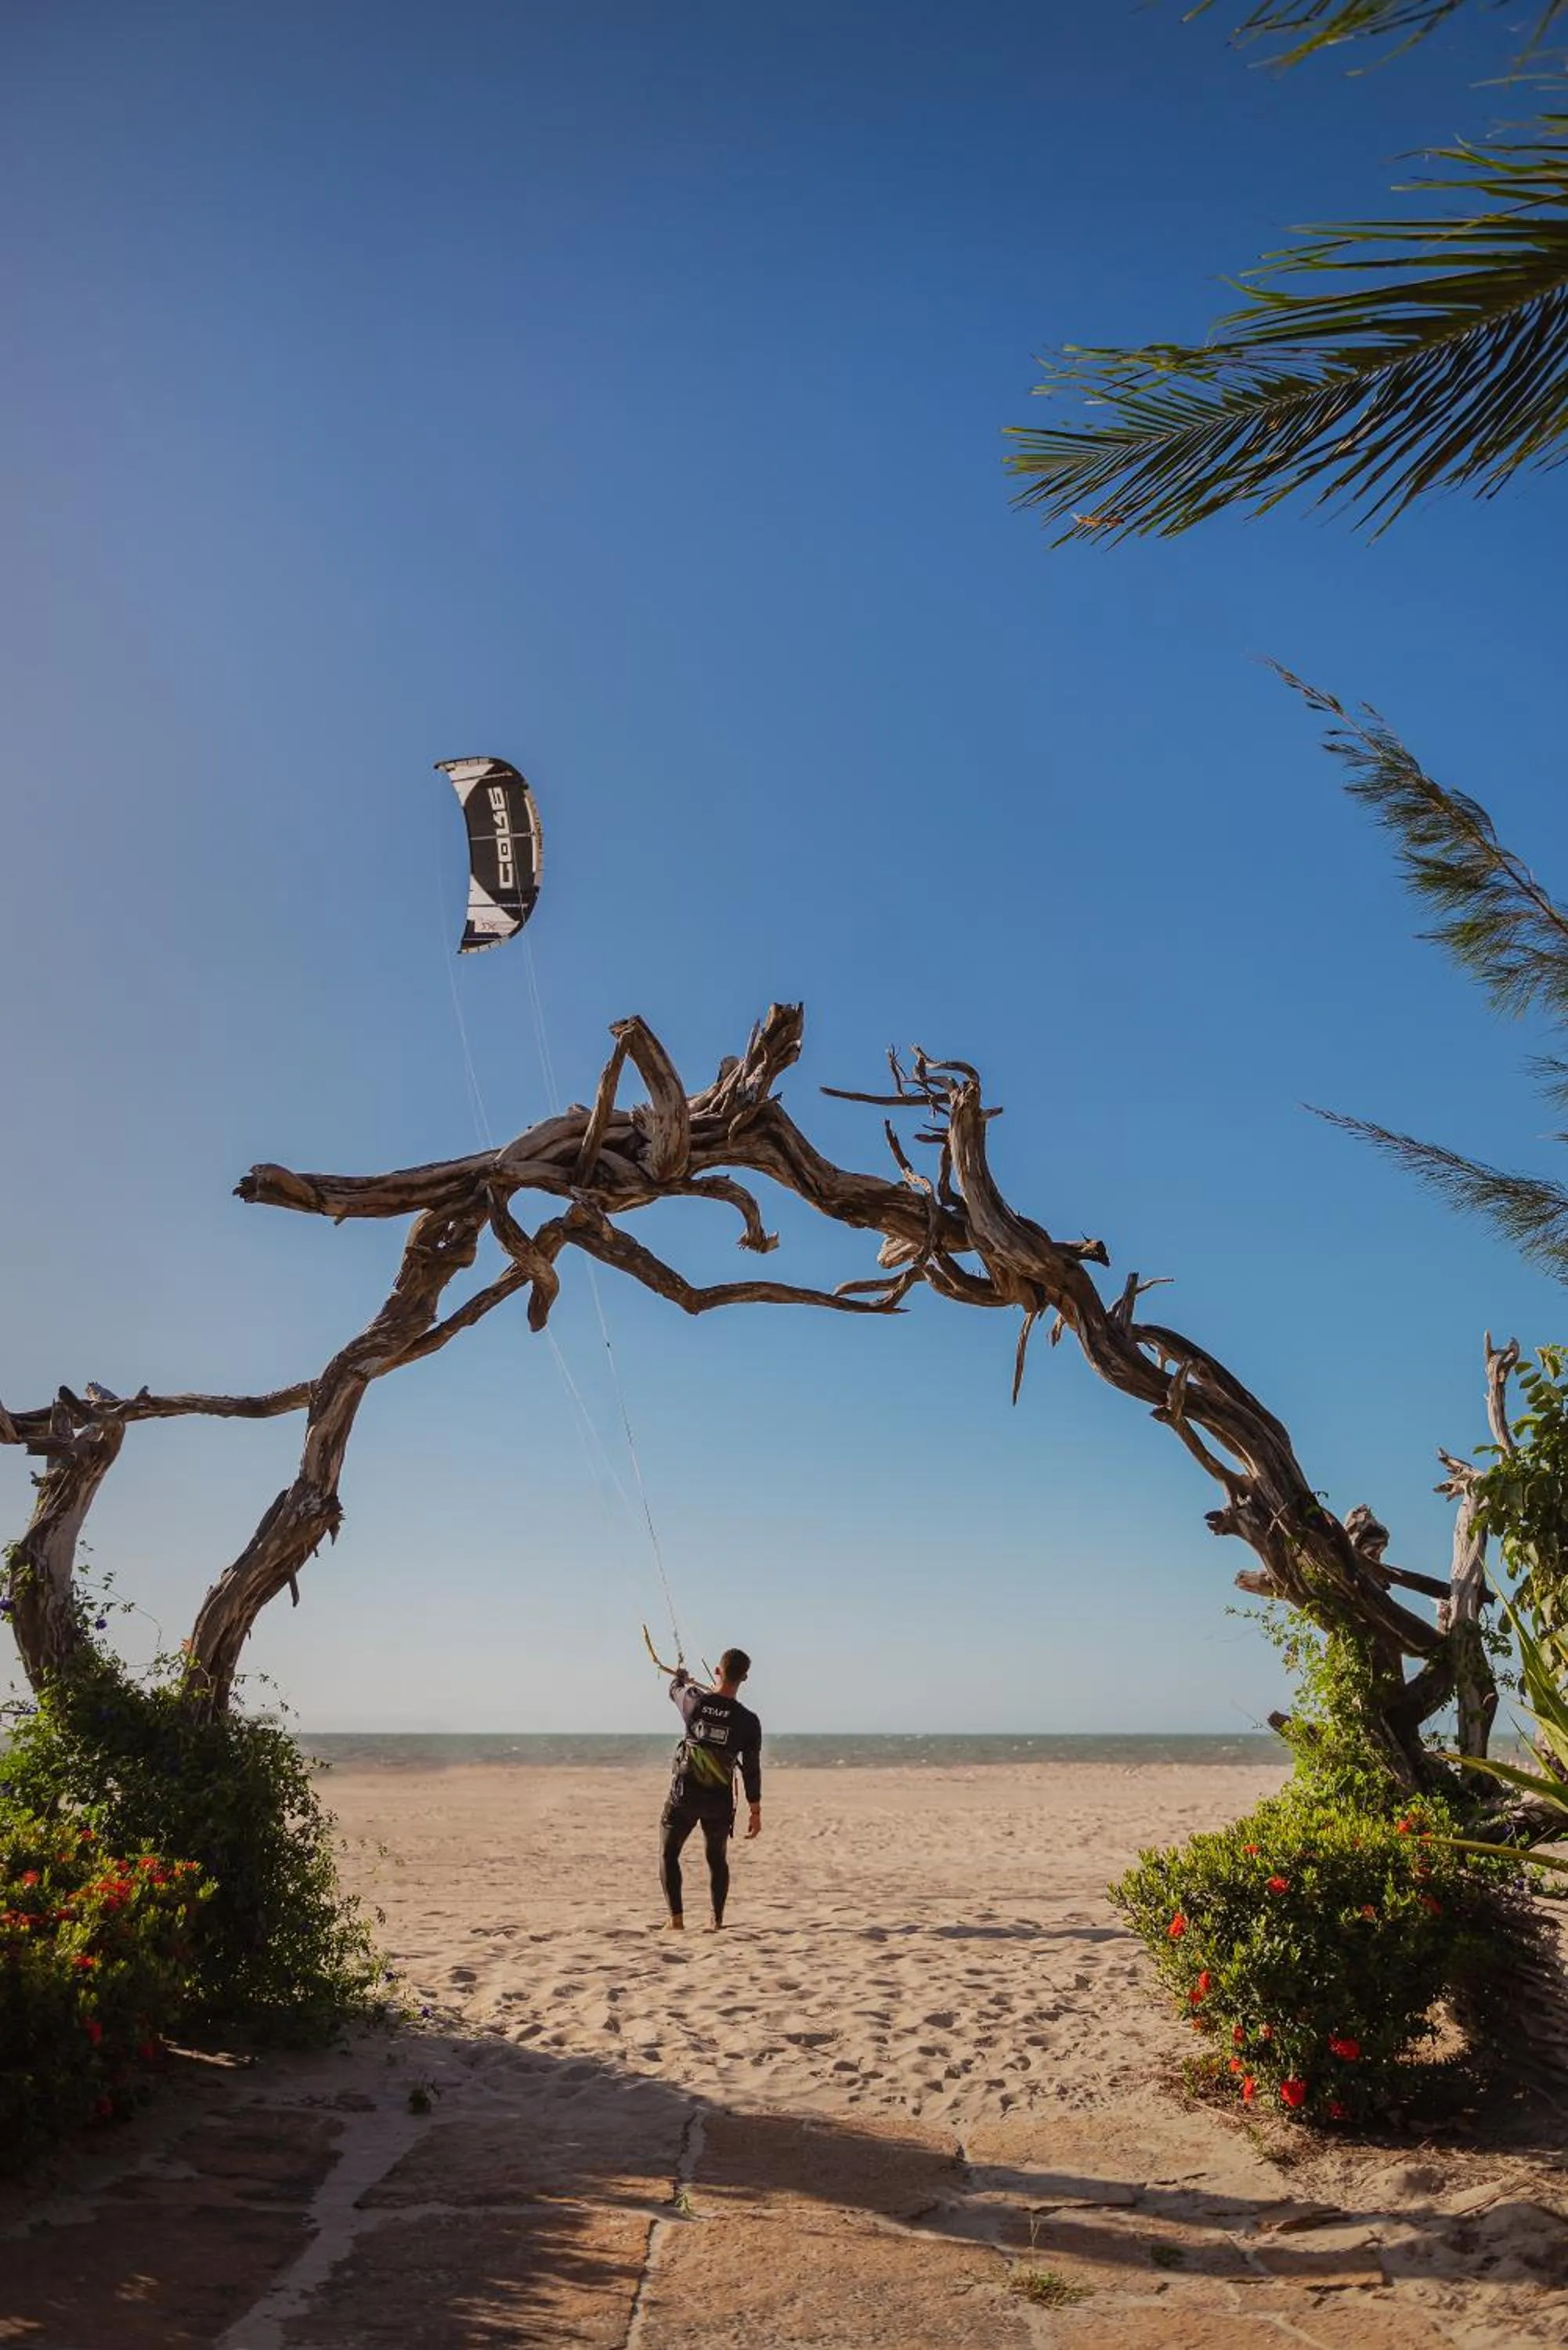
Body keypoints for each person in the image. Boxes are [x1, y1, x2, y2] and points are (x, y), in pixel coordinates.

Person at [659, 1647, 761, 1931]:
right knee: (717, 1858)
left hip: (685, 1795)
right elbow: (752, 1769)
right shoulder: (748, 1721)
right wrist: (755, 1810)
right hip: (718, 1799)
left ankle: (676, 1920)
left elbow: (674, 1690)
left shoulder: (695, 1702)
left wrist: (680, 1678)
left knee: (669, 1854)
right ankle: (716, 1921)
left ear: (717, 1671)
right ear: (745, 1678)